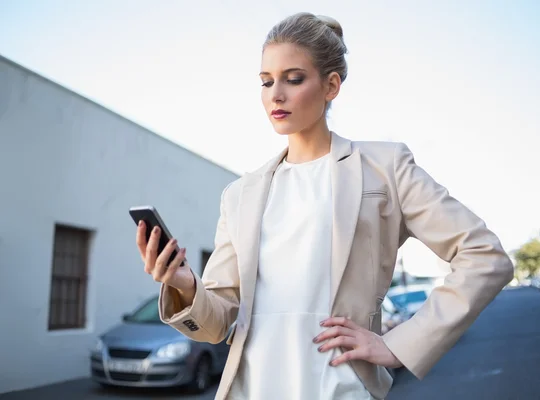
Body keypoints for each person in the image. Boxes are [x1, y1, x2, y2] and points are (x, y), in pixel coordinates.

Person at [135, 12, 514, 400]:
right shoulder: (239, 195)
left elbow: (484, 256)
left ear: (331, 85)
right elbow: (218, 324)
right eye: (266, 82)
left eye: (293, 79)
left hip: (341, 388)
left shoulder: (385, 168)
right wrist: (183, 284)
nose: (275, 94)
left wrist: (400, 343)